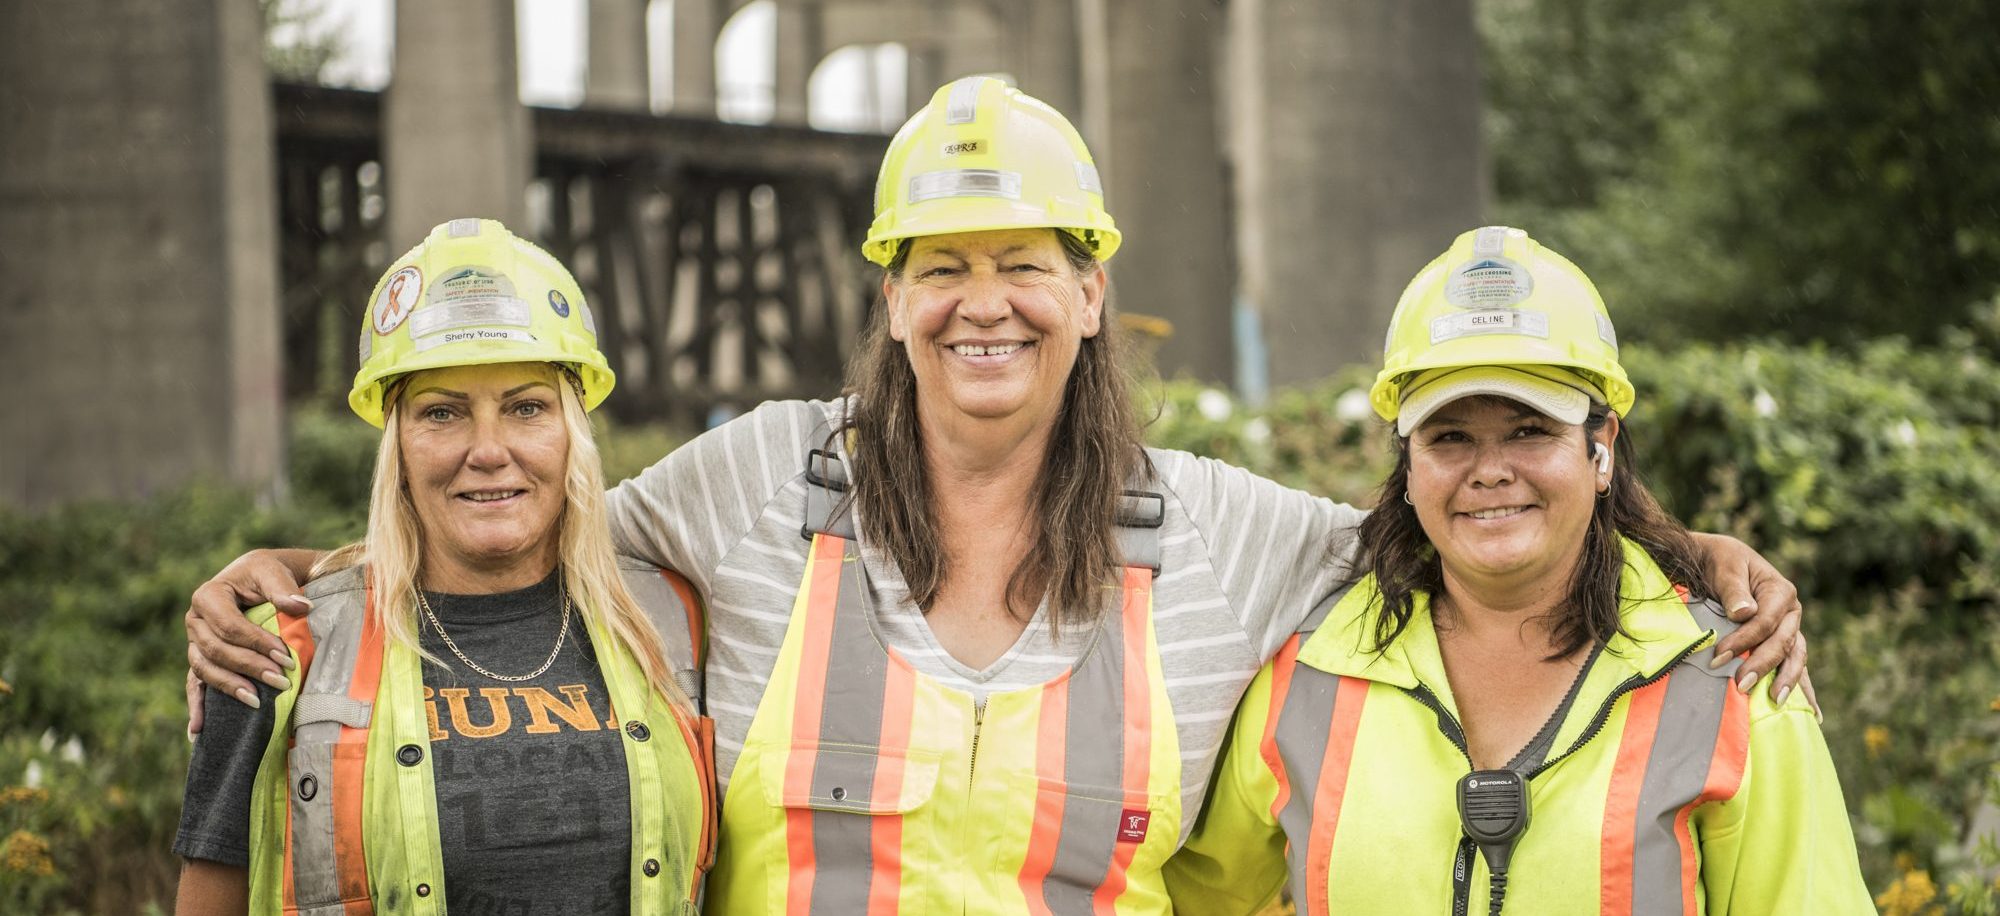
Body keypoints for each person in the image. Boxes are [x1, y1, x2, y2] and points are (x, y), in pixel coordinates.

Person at [184, 81, 1806, 913]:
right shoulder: (755, 483)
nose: (985, 305)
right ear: (888, 297)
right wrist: (300, 577)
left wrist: (1688, 552)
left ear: (1093, 291)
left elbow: (1470, 531)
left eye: (1025, 263)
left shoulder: (1230, 541)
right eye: (943, 268)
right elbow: (513, 509)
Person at [1164, 227, 1869, 915]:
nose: (1491, 471)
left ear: (1601, 450)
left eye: (1531, 430)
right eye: (1450, 437)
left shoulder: (1737, 679)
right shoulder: (1308, 677)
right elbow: (1187, 900)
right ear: (1408, 469)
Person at [173, 219, 716, 915]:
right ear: (396, 445)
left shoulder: (673, 619)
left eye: (526, 408)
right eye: (442, 413)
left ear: (573, 434)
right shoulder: (276, 651)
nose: (488, 450)